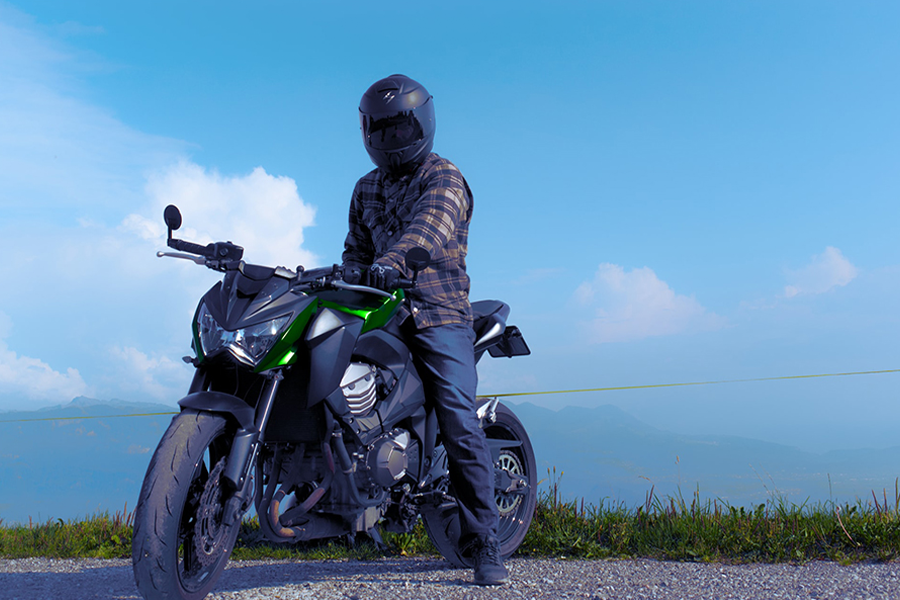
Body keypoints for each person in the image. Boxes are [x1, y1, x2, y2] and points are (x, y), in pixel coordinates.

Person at [342, 74, 508, 586]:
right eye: (382, 129)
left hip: (438, 312)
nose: (390, 138)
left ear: (422, 123)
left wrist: (393, 262)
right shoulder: (364, 187)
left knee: (459, 417)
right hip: (381, 312)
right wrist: (348, 277)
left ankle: (485, 542)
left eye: (399, 127)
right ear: (368, 131)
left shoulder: (445, 176)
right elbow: (354, 251)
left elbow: (431, 228)